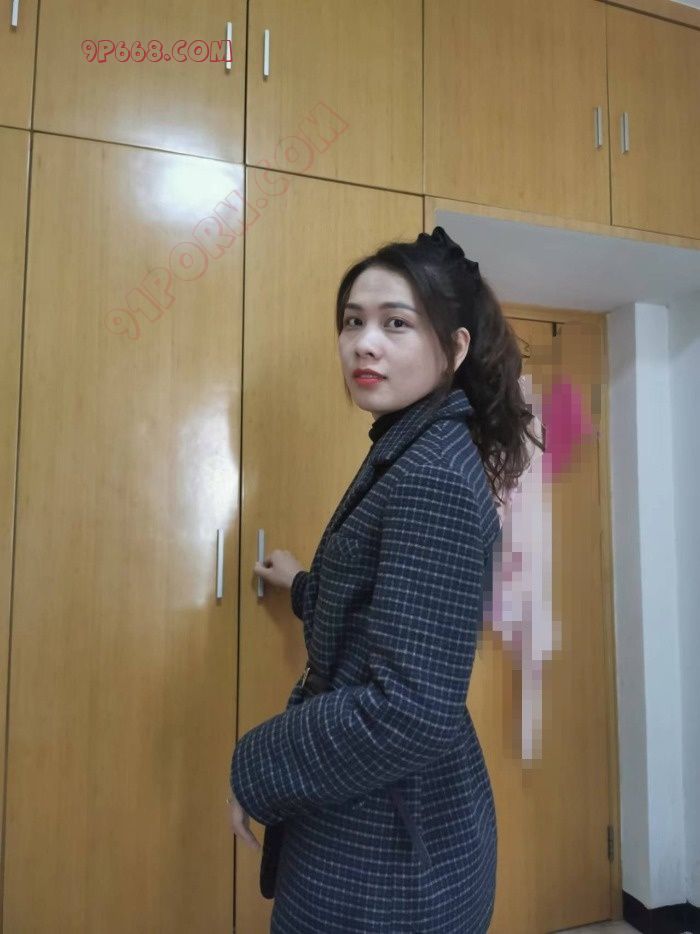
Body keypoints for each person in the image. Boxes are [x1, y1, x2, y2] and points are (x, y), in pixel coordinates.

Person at [228, 226, 543, 932]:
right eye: (352, 322)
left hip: (394, 853)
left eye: (396, 323)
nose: (363, 343)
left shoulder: (431, 475)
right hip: (378, 821)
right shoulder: (411, 444)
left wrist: (256, 768)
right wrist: (302, 583)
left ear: (454, 349)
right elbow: (376, 604)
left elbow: (408, 710)